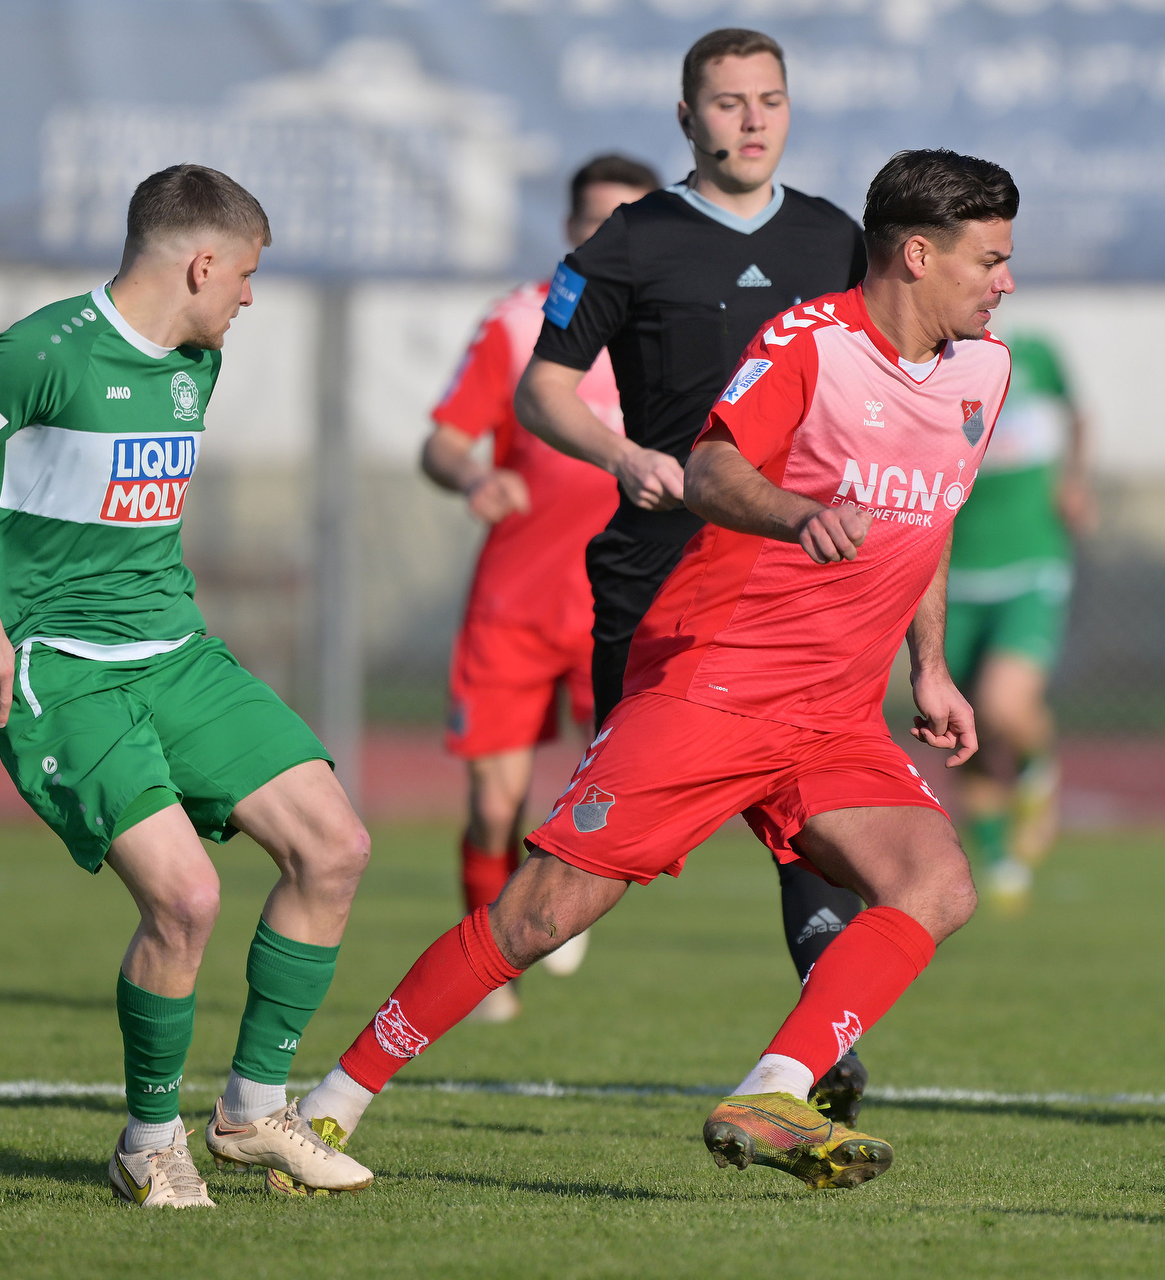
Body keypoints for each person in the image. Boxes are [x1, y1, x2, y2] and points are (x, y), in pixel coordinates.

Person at [295, 149, 1017, 1193]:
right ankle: (332, 1102)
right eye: (989, 260)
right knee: (540, 911)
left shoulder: (982, 372)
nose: (1004, 281)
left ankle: (773, 1090)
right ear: (917, 254)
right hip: (715, 681)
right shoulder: (808, 344)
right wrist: (798, 513)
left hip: (835, 711)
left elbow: (932, 518)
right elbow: (715, 466)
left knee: (936, 881)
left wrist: (933, 666)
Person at [0, 165, 375, 1208]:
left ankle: (249, 1111)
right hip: (62, 672)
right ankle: (148, 1140)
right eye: (243, 274)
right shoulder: (43, 352)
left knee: (337, 846)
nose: (247, 296)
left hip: (178, 653)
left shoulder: (198, 356)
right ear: (199, 262)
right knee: (187, 899)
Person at [514, 25, 876, 1122]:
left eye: (770, 98)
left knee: (809, 811)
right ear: (688, 119)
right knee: (611, 837)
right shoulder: (629, 243)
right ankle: (458, 986)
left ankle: (820, 1042)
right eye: (728, 102)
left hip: (795, 574)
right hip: (661, 576)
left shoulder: (836, 240)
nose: (753, 118)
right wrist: (624, 454)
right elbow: (545, 390)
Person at [420, 154, 661, 1022]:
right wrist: (471, 476)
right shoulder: (520, 323)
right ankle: (486, 961)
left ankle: (562, 888)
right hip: (514, 607)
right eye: (597, 219)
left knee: (619, 790)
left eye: (630, 218)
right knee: (493, 804)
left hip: (628, 604)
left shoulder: (675, 325)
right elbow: (443, 443)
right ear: (568, 229)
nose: (611, 235)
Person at [942, 331, 1093, 915]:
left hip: (1031, 559)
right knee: (962, 726)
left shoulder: (1033, 354)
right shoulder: (921, 362)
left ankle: (1036, 773)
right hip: (951, 575)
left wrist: (1075, 478)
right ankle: (1000, 859)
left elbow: (1077, 414)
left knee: (1004, 704)